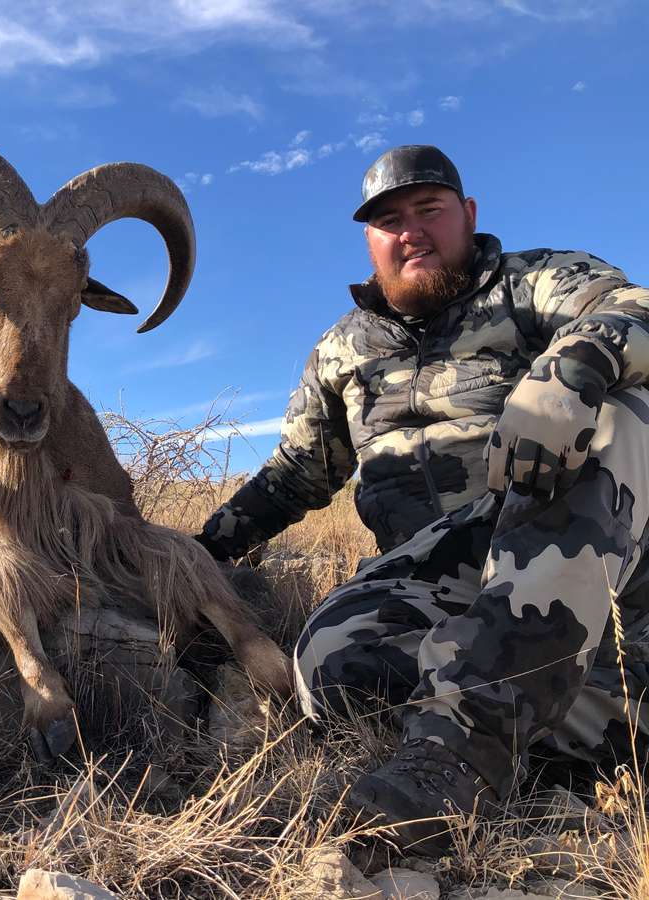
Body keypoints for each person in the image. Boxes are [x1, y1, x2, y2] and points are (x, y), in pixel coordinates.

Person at [196, 144, 649, 854]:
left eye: (428, 209)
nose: (410, 229)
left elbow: (631, 307)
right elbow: (293, 476)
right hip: (442, 574)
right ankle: (606, 713)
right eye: (387, 219)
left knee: (623, 406)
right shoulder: (340, 352)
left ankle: (458, 754)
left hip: (584, 538)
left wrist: (575, 365)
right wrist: (194, 555)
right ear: (369, 241)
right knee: (332, 663)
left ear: (467, 215)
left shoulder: (533, 284)